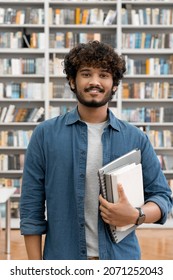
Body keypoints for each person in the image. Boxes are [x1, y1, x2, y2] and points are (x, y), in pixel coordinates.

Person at [20, 40, 172, 260]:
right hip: (63, 261)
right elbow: (31, 209)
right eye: (86, 74)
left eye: (103, 75)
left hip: (121, 262)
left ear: (115, 84)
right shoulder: (44, 135)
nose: (94, 82)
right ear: (72, 81)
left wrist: (135, 215)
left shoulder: (136, 138)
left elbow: (162, 197)